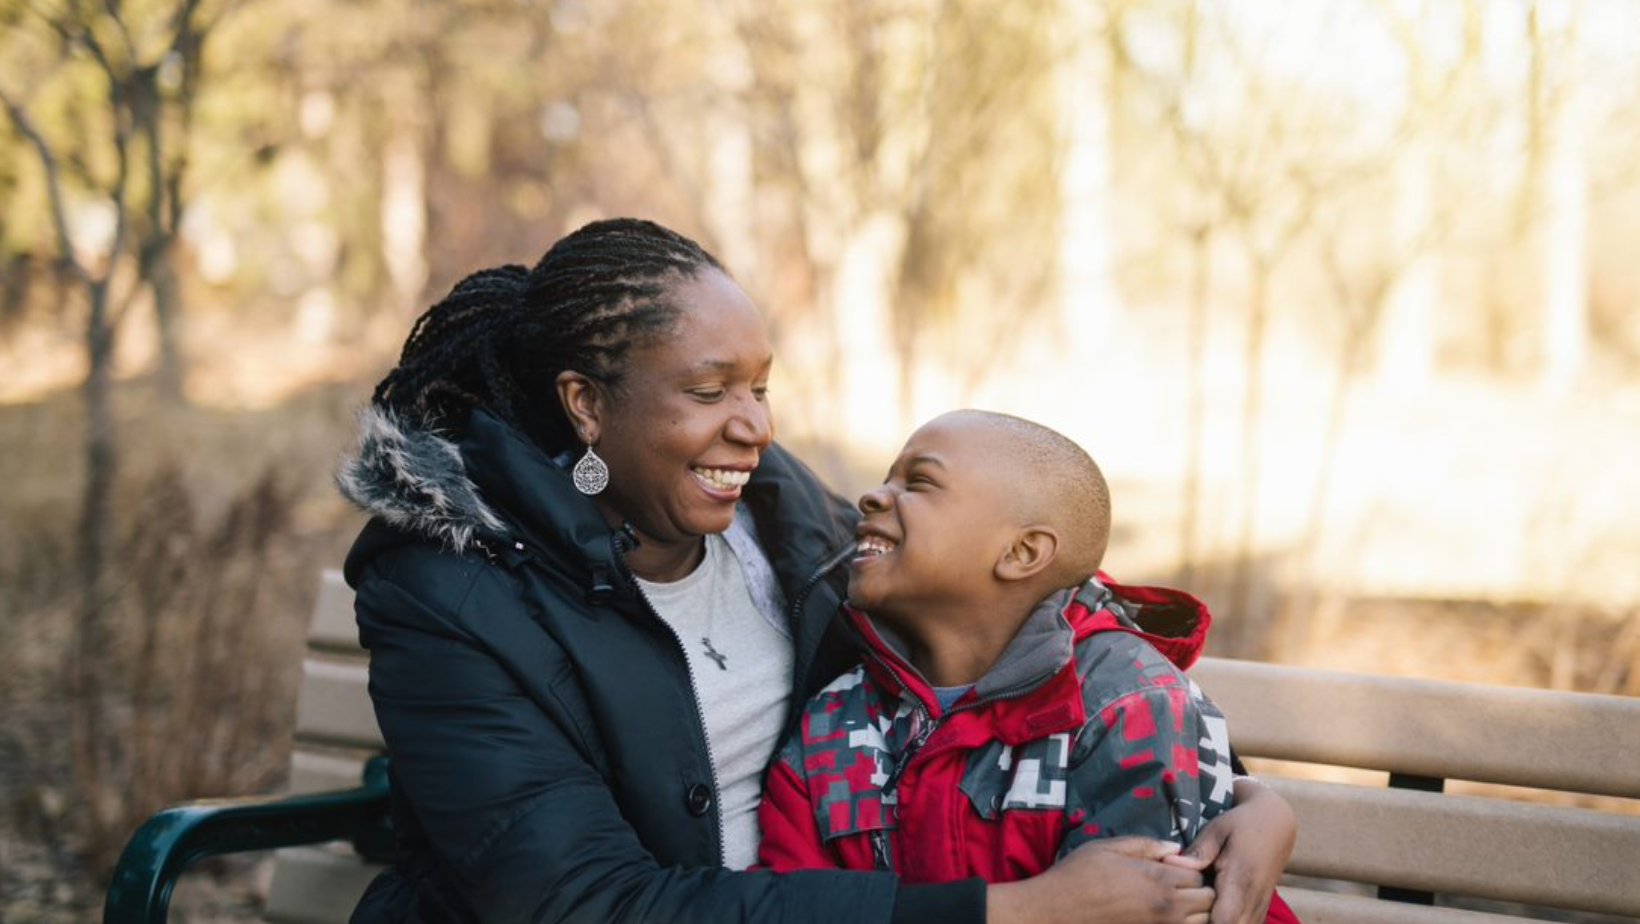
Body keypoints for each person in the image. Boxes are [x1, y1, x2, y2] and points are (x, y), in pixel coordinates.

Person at [336, 217, 1296, 924]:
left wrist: (1249, 802)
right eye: (709, 391)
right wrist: (1005, 913)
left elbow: (1037, 632)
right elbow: (583, 906)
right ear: (587, 404)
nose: (755, 426)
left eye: (760, 386)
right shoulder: (451, 593)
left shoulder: (774, 510)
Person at [753, 411, 1297, 924]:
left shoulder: (1126, 705)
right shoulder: (834, 722)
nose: (871, 496)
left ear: (1021, 553)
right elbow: (798, 905)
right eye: (887, 478)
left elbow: (1141, 907)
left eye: (917, 483)